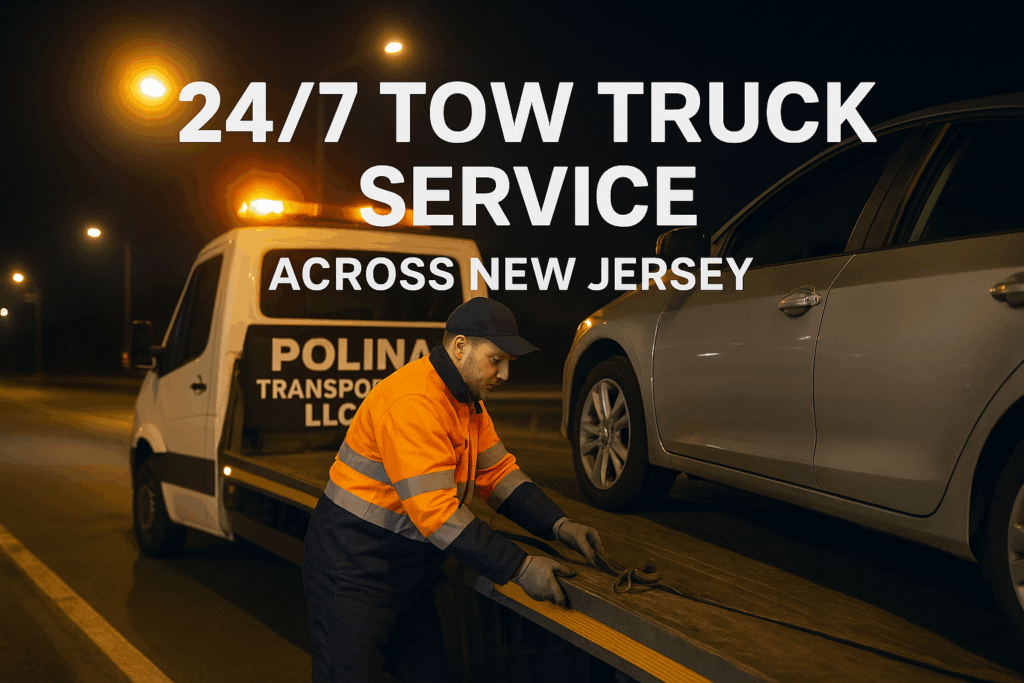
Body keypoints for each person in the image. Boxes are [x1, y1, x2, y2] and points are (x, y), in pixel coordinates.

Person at [303, 297, 605, 683]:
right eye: (496, 360)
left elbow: (498, 474)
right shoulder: (415, 402)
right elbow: (438, 515)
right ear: (460, 346)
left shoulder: (466, 401)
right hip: (352, 567)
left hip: (405, 568)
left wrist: (559, 526)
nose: (505, 373)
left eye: (509, 363)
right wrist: (520, 567)